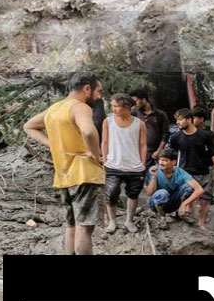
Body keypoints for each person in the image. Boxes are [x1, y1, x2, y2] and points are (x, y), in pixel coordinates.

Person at [24, 74, 104, 255]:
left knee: (72, 226)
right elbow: (89, 132)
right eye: (98, 91)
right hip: (84, 174)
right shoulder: (80, 107)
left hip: (63, 175)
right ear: (87, 89)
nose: (99, 96)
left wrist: (53, 144)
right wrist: (95, 154)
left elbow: (28, 126)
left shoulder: (54, 109)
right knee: (84, 228)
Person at [100, 94, 147, 234]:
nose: (112, 109)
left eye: (116, 106)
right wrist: (105, 159)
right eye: (112, 106)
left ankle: (129, 221)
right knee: (111, 193)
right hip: (113, 164)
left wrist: (143, 163)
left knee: (133, 194)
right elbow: (105, 141)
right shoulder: (108, 121)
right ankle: (112, 221)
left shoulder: (139, 123)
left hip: (135, 166)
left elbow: (143, 144)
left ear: (126, 107)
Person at [170, 109, 214, 195]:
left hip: (204, 173)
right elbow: (171, 155)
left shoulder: (205, 135)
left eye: (180, 119)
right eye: (176, 120)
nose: (177, 122)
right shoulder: (175, 137)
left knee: (205, 202)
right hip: (185, 174)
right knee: (188, 200)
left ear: (189, 119)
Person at [142, 150, 205, 222]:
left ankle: (179, 214)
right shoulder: (154, 170)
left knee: (188, 188)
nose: (161, 163)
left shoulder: (179, 172)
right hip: (155, 204)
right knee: (163, 193)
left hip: (172, 203)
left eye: (165, 160)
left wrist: (184, 204)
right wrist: (154, 177)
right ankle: (161, 217)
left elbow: (199, 190)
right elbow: (149, 193)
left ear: (173, 162)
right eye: (160, 160)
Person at [132, 88, 167, 165]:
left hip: (155, 154)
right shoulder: (134, 113)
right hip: (139, 153)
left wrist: (159, 151)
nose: (135, 103)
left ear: (144, 99)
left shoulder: (160, 115)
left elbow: (165, 134)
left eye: (136, 101)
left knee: (155, 175)